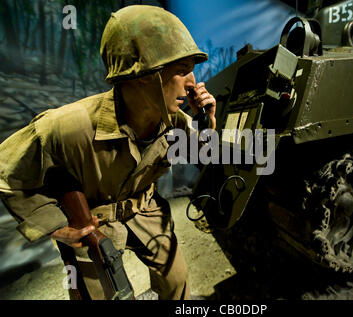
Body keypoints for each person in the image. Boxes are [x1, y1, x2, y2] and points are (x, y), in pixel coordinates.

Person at [0, 5, 216, 300]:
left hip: (146, 211)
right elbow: (6, 170)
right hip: (92, 222)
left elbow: (204, 155)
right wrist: (58, 227)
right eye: (182, 72)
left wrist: (206, 124)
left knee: (177, 282)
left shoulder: (176, 121)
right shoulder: (68, 126)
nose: (193, 83)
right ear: (143, 75)